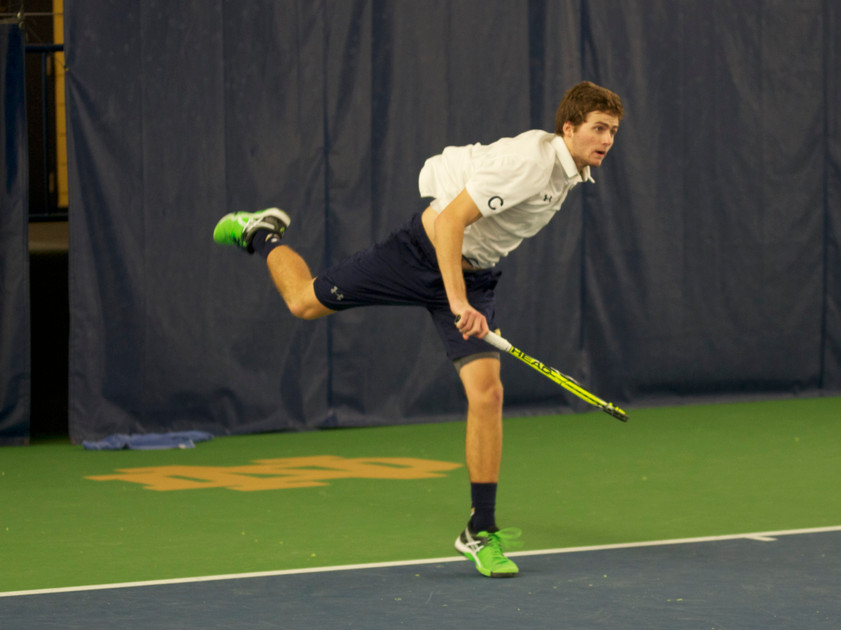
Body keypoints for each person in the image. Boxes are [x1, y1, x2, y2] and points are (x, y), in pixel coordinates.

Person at [213, 81, 624, 578]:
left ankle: (481, 530)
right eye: (598, 128)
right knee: (304, 303)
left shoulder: (571, 172)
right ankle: (260, 233)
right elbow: (452, 222)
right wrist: (456, 301)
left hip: (478, 275)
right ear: (569, 128)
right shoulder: (531, 164)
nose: (606, 139)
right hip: (419, 256)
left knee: (487, 395)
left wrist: (466, 294)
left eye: (613, 131)